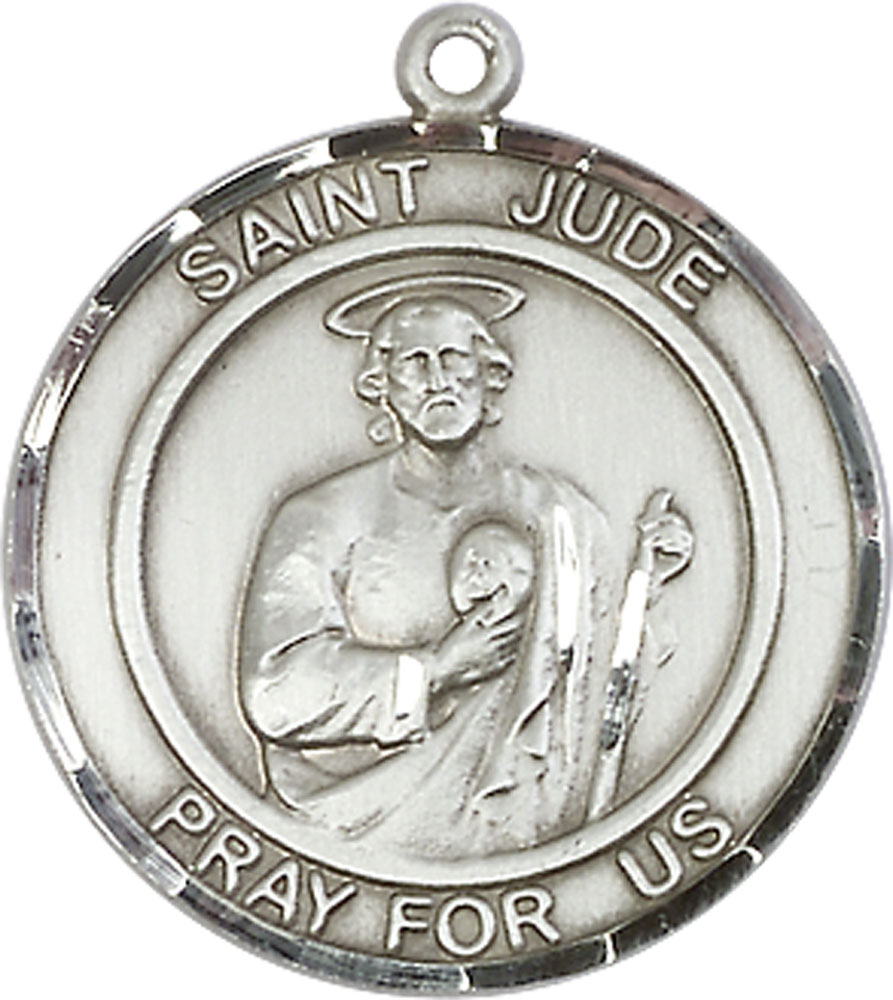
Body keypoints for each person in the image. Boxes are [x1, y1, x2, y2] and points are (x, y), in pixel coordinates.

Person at [237, 273, 688, 858]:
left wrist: (649, 581)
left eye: (454, 358)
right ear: (382, 385)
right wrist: (436, 670)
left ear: (488, 374)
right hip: (347, 834)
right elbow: (275, 692)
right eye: (414, 364)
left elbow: (600, 676)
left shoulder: (561, 512)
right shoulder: (320, 517)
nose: (438, 380)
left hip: (524, 835)